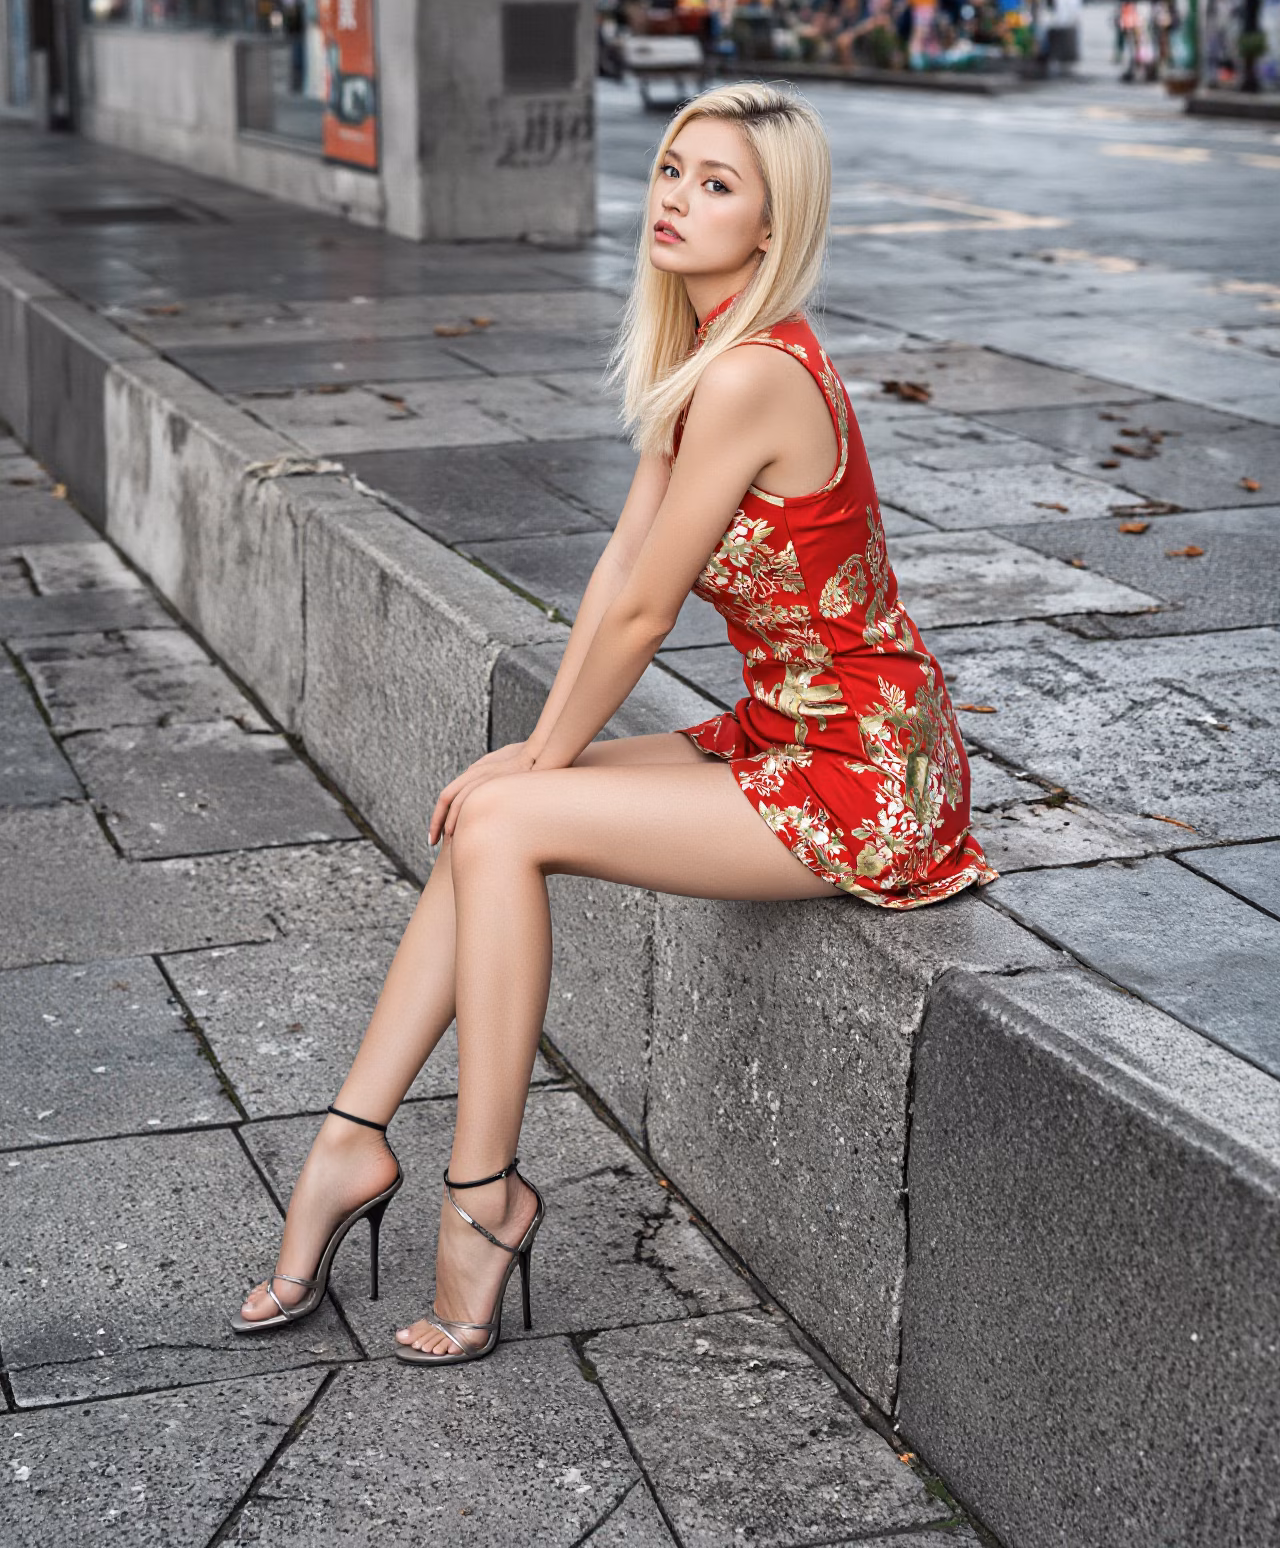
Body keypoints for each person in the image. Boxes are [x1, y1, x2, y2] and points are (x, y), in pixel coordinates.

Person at [231, 82, 998, 1363]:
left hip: (866, 777)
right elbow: (615, 566)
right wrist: (531, 755)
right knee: (488, 808)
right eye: (669, 170)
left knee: (503, 820)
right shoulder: (707, 354)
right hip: (783, 733)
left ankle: (482, 1201)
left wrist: (542, 761)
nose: (674, 200)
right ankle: (353, 1141)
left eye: (715, 185)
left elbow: (645, 614)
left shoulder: (756, 373)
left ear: (770, 227)